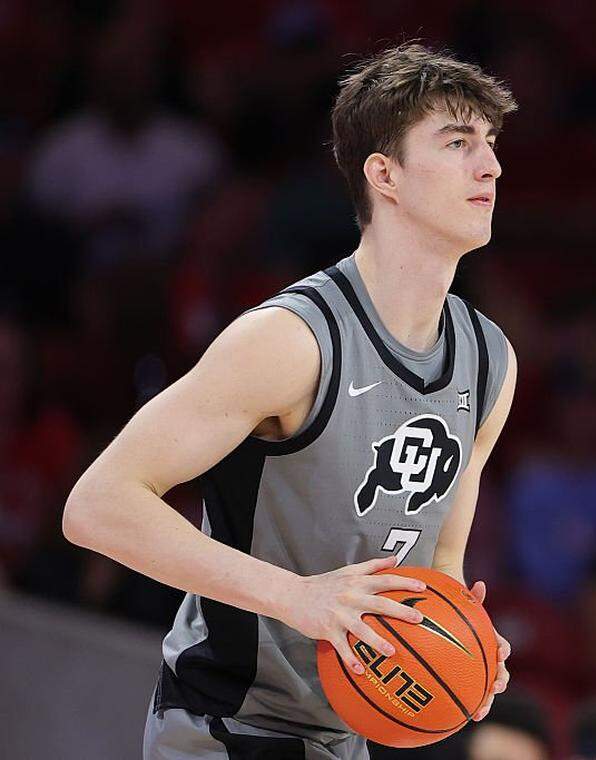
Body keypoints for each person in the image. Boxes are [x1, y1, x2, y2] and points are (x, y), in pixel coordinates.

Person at [62, 43, 518, 759]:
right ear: (385, 174)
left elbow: (440, 563)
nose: (489, 165)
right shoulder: (290, 340)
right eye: (458, 142)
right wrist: (297, 598)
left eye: (489, 144)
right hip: (226, 723)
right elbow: (96, 506)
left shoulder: (490, 360)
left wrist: (461, 640)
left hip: (341, 732)